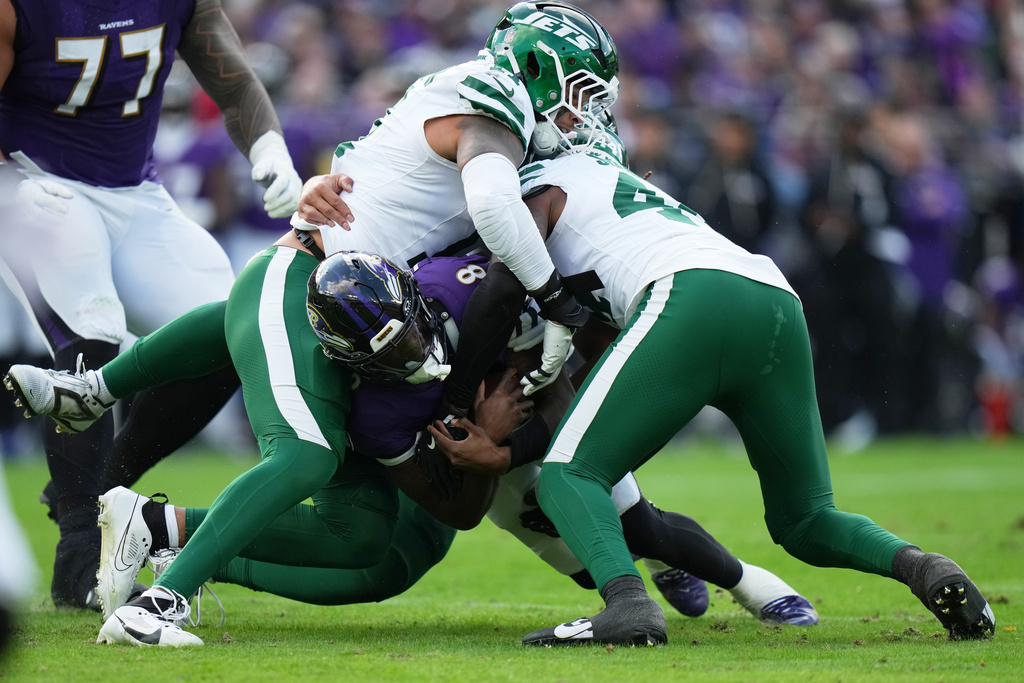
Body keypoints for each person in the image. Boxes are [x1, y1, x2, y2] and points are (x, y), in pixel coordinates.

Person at [429, 130, 997, 646]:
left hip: (689, 299)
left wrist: (459, 403)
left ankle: (627, 606)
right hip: (771, 297)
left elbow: (501, 289)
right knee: (806, 520)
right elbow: (605, 366)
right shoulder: (617, 189)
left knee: (567, 477)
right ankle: (923, 567)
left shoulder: (535, 188)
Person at [88, 252, 816, 645]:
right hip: (465, 455)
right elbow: (456, 509)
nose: (413, 357)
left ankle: (747, 580)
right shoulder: (376, 412)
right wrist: (489, 449)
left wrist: (512, 435)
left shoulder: (468, 286)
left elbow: (569, 384)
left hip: (532, 425)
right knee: (387, 561)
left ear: (414, 291)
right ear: (353, 364)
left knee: (631, 518)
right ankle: (166, 537)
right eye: (389, 355)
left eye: (409, 334)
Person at [0, 0, 304, 610]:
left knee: (231, 324)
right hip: (31, 179)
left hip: (135, 194)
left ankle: (98, 484)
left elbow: (235, 77)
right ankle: (81, 553)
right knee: (91, 322)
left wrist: (268, 146)